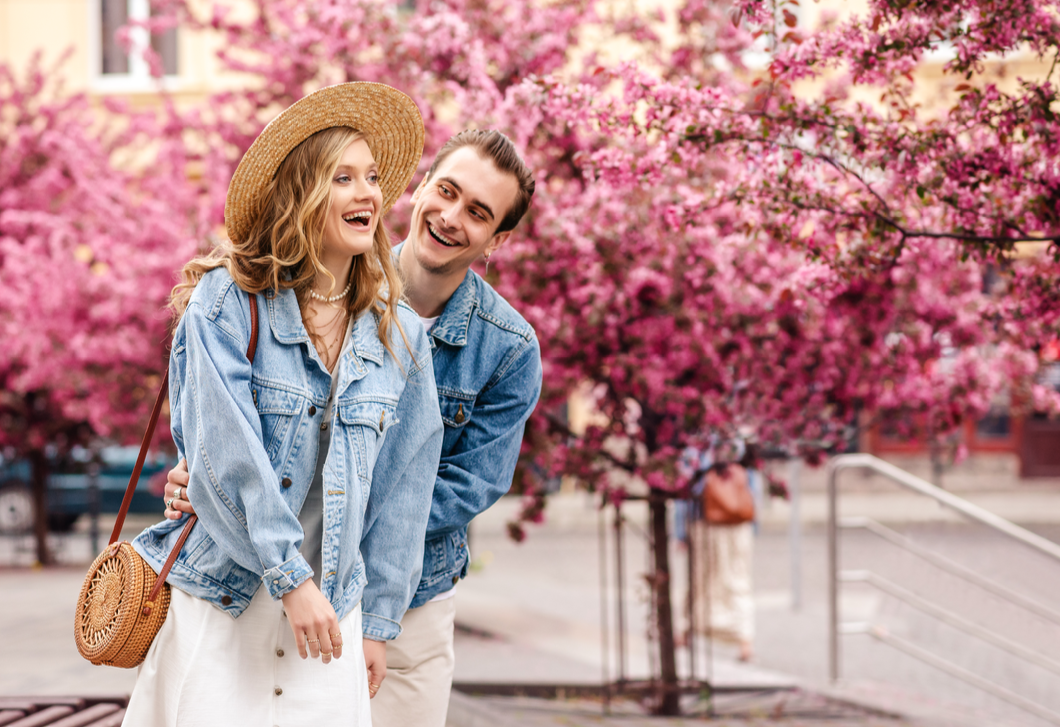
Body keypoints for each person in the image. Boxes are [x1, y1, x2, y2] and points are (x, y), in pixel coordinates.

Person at [165, 128, 543, 726]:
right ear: (418, 189)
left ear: (495, 239)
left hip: (388, 597)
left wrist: (371, 599)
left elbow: (431, 489)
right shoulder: (242, 298)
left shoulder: (485, 345)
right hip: (246, 580)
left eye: (477, 213)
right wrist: (210, 479)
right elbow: (227, 435)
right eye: (445, 191)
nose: (450, 217)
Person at [128, 82, 443, 726]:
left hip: (331, 619)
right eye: (343, 178)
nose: (368, 194)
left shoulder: (402, 337)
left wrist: (378, 622)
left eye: (374, 177)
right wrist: (291, 581)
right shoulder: (225, 304)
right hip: (226, 599)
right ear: (300, 195)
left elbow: (405, 492)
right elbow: (228, 452)